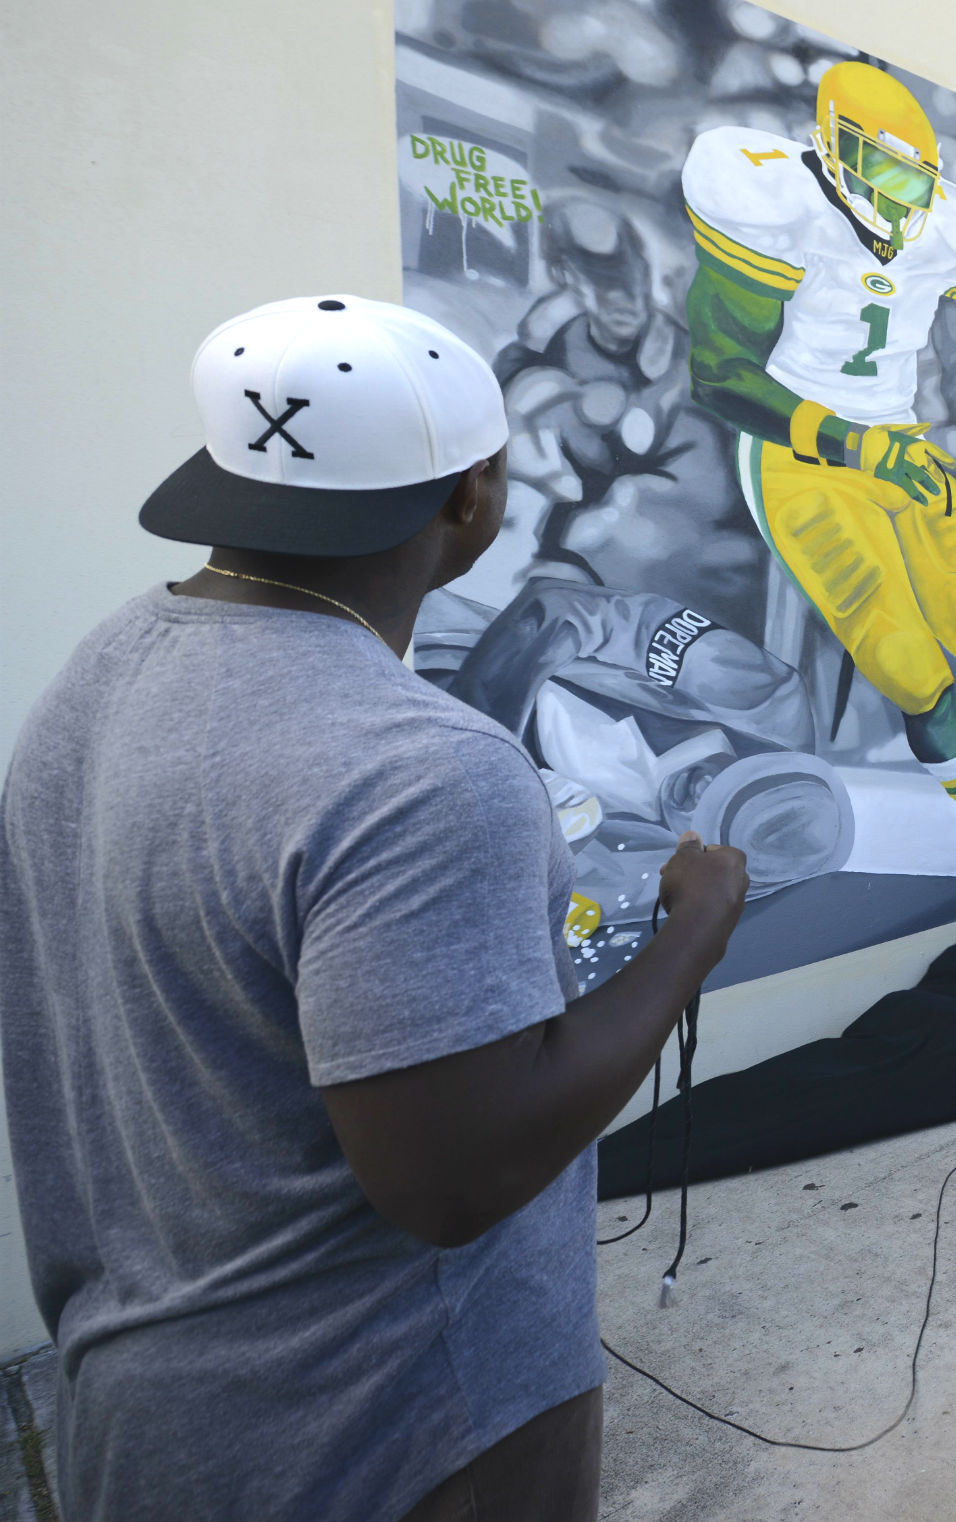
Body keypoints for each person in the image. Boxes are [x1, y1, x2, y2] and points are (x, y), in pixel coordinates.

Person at [0, 296, 754, 1521]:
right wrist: (693, 931)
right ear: (472, 494)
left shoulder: (104, 668)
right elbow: (457, 1177)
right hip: (395, 1427)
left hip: (143, 1410)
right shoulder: (424, 768)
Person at [681, 61, 956, 852]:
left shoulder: (944, 226)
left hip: (898, 440)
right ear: (828, 146)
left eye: (913, 179)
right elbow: (720, 378)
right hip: (803, 453)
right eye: (877, 167)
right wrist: (855, 443)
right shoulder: (773, 204)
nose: (897, 197)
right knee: (908, 665)